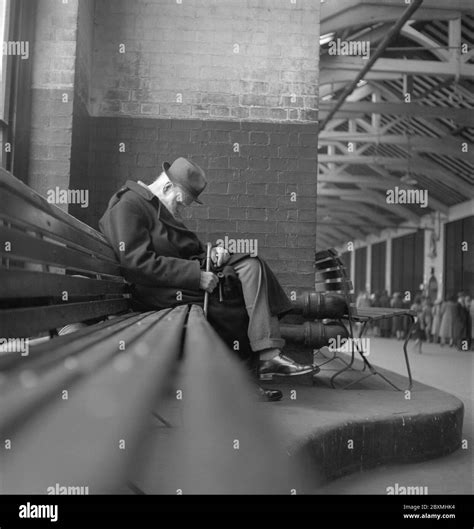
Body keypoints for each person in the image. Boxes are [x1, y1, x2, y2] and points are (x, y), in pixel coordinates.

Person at [98, 158, 316, 402]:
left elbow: (185, 250)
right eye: (181, 204)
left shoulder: (154, 205)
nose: (181, 211)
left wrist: (212, 252)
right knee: (233, 296)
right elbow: (136, 264)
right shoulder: (128, 205)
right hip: (155, 290)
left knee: (252, 265)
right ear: (168, 188)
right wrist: (196, 275)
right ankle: (240, 382)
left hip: (176, 281)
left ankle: (268, 355)